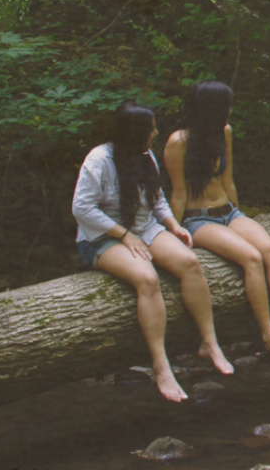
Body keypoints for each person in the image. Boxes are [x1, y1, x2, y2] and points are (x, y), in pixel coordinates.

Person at [73, 101, 232, 403]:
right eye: (151, 128)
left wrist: (173, 225)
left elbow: (157, 200)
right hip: (102, 238)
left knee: (190, 262)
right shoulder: (99, 160)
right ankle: (161, 366)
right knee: (147, 279)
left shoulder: (146, 157)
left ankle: (209, 343)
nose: (156, 133)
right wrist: (123, 236)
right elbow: (82, 209)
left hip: (145, 228)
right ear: (135, 132)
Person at [165, 80, 270, 360]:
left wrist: (240, 217)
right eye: (226, 105)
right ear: (211, 108)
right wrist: (172, 232)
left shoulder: (224, 132)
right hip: (198, 219)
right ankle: (268, 336)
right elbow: (178, 194)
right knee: (251, 258)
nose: (230, 109)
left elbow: (228, 180)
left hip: (229, 212)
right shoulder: (178, 142)